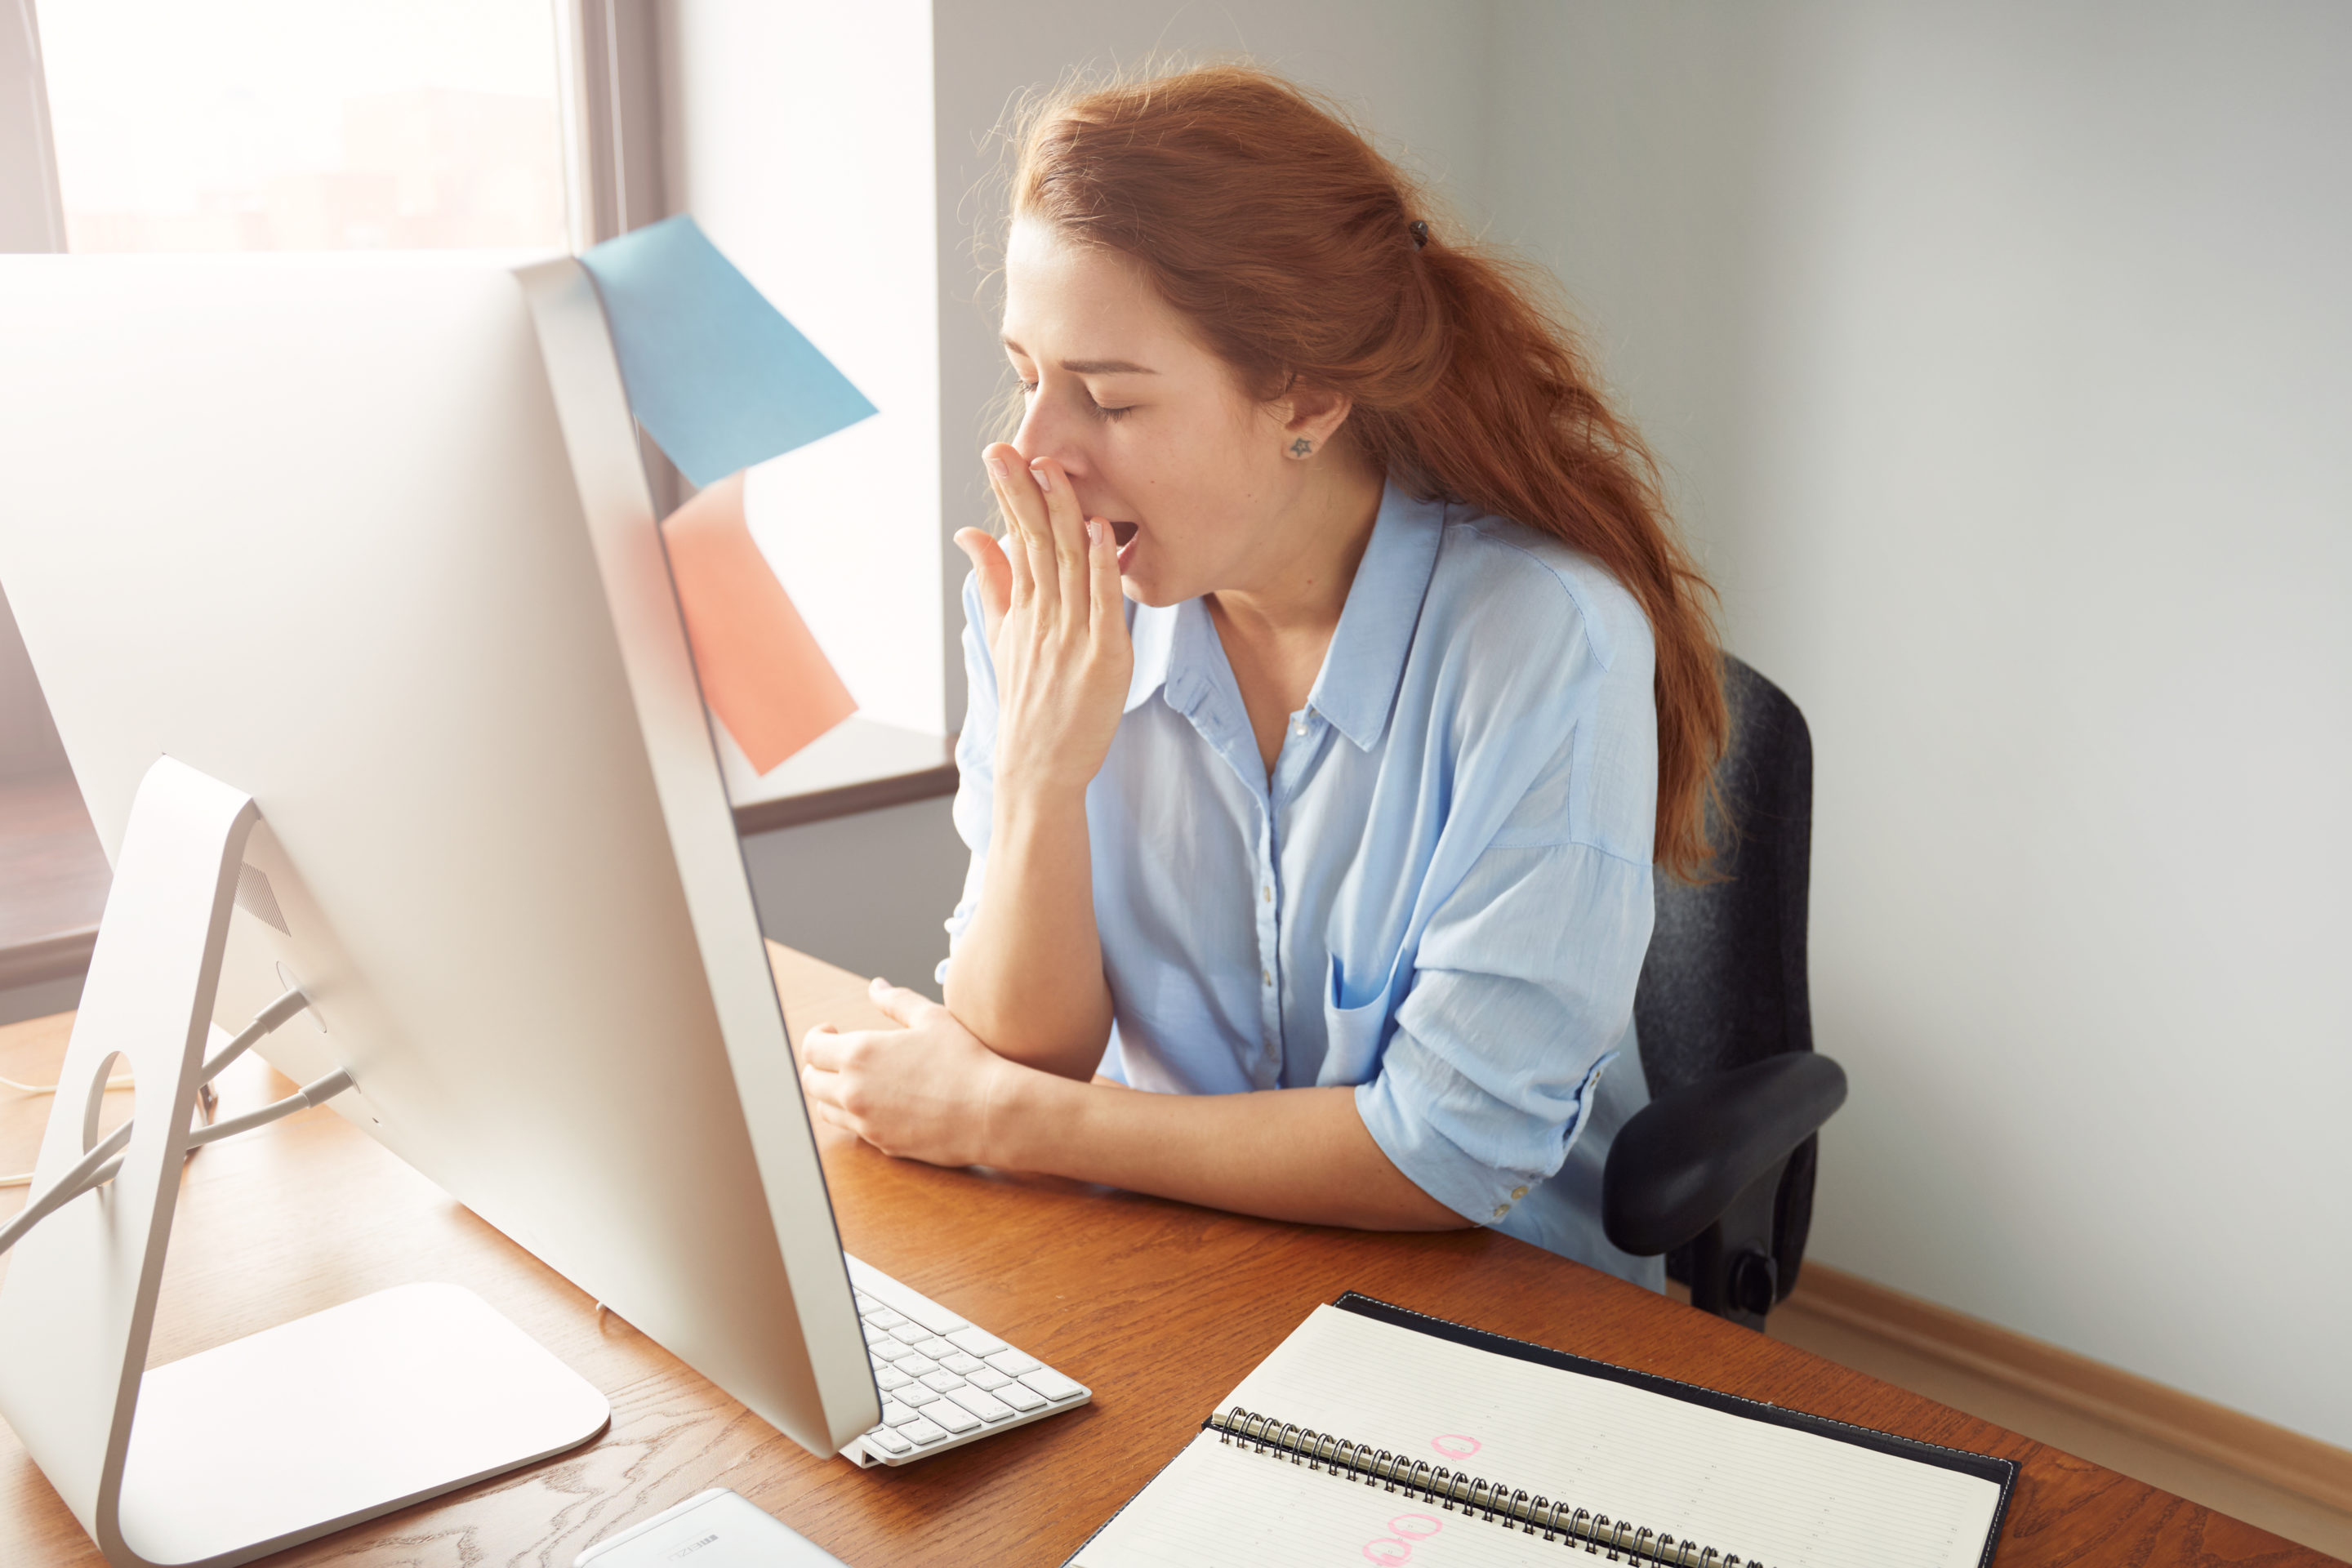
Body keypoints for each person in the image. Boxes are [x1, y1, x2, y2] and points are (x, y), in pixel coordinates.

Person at [797, 63, 1725, 1286]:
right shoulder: (1049, 607)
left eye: (1111, 400)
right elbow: (1031, 1048)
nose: (1034, 454)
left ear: (1307, 395)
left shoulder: (1544, 641)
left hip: (1490, 1305)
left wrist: (1005, 1121)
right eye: (1029, 376)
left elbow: (1443, 1150)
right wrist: (1040, 775)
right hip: (1173, 1268)